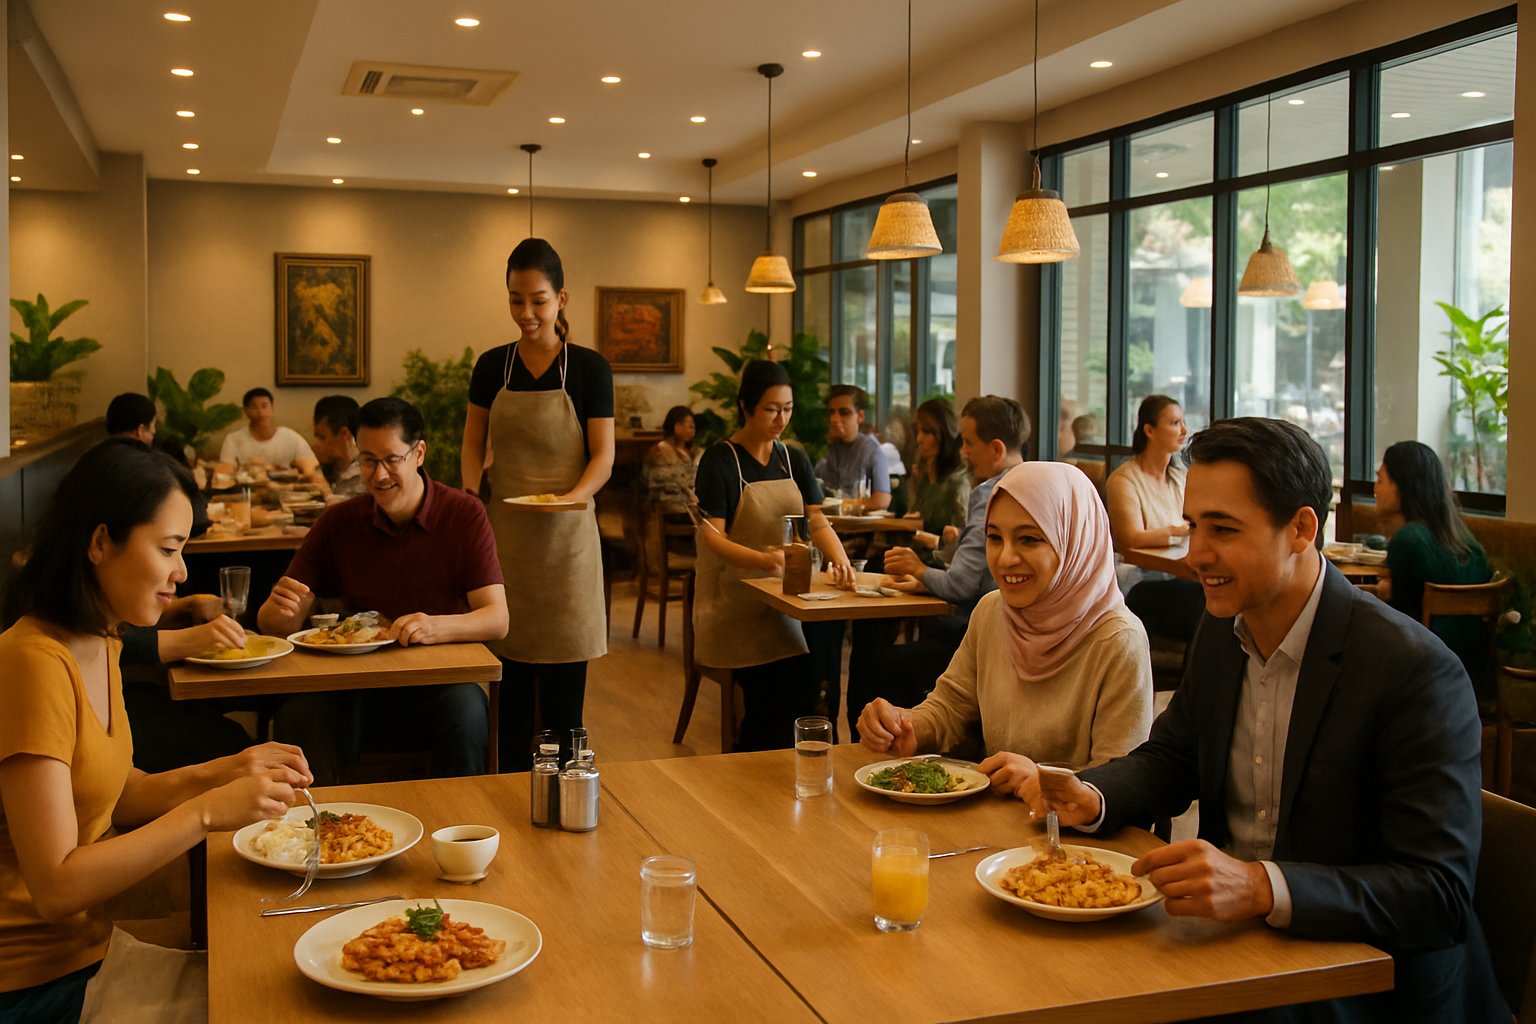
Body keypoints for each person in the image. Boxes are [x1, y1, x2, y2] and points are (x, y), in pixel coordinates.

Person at [1037, 417, 1504, 1024]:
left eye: (1223, 530)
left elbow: (1436, 895)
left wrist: (1261, 886)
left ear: (1301, 529)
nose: (1196, 553)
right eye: (1193, 526)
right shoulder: (1223, 629)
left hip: (1369, 981)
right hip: (1241, 950)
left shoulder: (1412, 671)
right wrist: (1093, 794)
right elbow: (1173, 758)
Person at [0, 437, 310, 1022]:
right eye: (169, 548)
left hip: (88, 956)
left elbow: (117, 793)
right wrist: (207, 812)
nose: (182, 571)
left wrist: (229, 770)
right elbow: (56, 887)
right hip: (33, 988)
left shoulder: (100, 639)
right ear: (99, 542)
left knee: (280, 979)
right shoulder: (30, 662)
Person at [857, 462, 1153, 789]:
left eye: (1029, 539)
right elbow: (950, 707)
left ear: (1075, 540)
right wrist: (906, 726)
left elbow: (1121, 781)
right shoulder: (992, 611)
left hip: (1070, 836)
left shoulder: (1118, 640)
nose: (1006, 557)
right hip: (994, 822)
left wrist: (1045, 781)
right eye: (995, 538)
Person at [259, 397, 508, 784]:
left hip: (435, 682)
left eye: (392, 459)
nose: (379, 475)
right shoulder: (338, 522)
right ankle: (316, 831)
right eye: (368, 460)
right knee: (299, 713)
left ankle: (460, 829)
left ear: (419, 453)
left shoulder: (463, 514)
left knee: (467, 710)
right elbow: (279, 621)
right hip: (353, 684)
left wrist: (434, 627)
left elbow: (497, 619)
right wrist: (276, 613)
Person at [461, 238, 613, 771]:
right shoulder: (491, 367)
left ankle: (568, 789)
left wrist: (571, 498)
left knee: (565, 690)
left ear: (562, 299)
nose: (526, 313)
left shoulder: (590, 369)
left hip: (569, 539)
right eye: (515, 300)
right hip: (505, 538)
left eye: (538, 300)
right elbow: (472, 445)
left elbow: (603, 457)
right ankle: (506, 789)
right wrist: (470, 501)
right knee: (510, 678)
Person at [692, 359, 855, 751]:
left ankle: (797, 766)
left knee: (817, 671)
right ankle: (756, 774)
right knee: (777, 689)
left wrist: (840, 559)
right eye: (771, 408)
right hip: (735, 603)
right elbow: (713, 536)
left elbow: (816, 522)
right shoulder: (721, 461)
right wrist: (764, 560)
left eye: (788, 408)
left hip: (785, 600)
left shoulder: (792, 458)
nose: (781, 418)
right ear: (746, 406)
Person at [849, 396, 1027, 737]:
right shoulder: (1035, 486)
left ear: (996, 449)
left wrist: (918, 570)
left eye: (969, 443)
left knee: (874, 664)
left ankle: (868, 747)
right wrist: (949, 548)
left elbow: (961, 584)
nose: (963, 452)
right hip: (1008, 632)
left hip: (985, 636)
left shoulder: (992, 493)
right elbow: (974, 567)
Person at [1372, 440, 1493, 690]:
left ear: (1402, 487)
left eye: (1381, 479)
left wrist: (1382, 594)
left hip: (1424, 672)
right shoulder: (1466, 539)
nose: (1375, 488)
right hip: (1473, 673)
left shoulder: (1408, 540)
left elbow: (1399, 625)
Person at [1106, 394, 1204, 642]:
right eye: (1174, 423)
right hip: (1140, 582)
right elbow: (1129, 539)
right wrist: (1177, 531)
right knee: (1201, 600)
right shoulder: (1123, 480)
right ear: (1149, 430)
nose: (1184, 430)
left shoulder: (1181, 478)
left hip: (1179, 574)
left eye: (1183, 422)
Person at [900, 397, 970, 566]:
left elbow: (963, 541)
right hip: (916, 557)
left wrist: (931, 539)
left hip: (942, 564)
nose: (919, 439)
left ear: (943, 435)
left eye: (927, 432)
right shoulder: (922, 477)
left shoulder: (957, 483)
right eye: (917, 431)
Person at [218, 388, 325, 488]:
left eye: (265, 406)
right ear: (246, 411)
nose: (261, 413)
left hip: (285, 493)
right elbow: (224, 476)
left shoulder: (291, 437)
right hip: (246, 495)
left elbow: (312, 469)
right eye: (255, 407)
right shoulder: (233, 440)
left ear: (272, 408)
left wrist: (305, 477)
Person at [815, 385, 890, 514]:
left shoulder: (872, 451)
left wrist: (848, 506)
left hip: (860, 529)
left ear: (860, 416)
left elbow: (882, 500)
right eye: (832, 412)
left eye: (844, 413)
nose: (835, 419)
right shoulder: (828, 451)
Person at [644, 405, 701, 510]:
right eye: (690, 426)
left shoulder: (693, 451)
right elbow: (663, 484)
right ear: (677, 426)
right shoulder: (662, 450)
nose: (693, 431)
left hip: (691, 501)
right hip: (672, 503)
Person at [312, 394, 364, 497]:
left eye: (322, 437)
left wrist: (326, 492)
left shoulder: (364, 477)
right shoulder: (327, 469)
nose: (315, 445)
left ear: (344, 434)